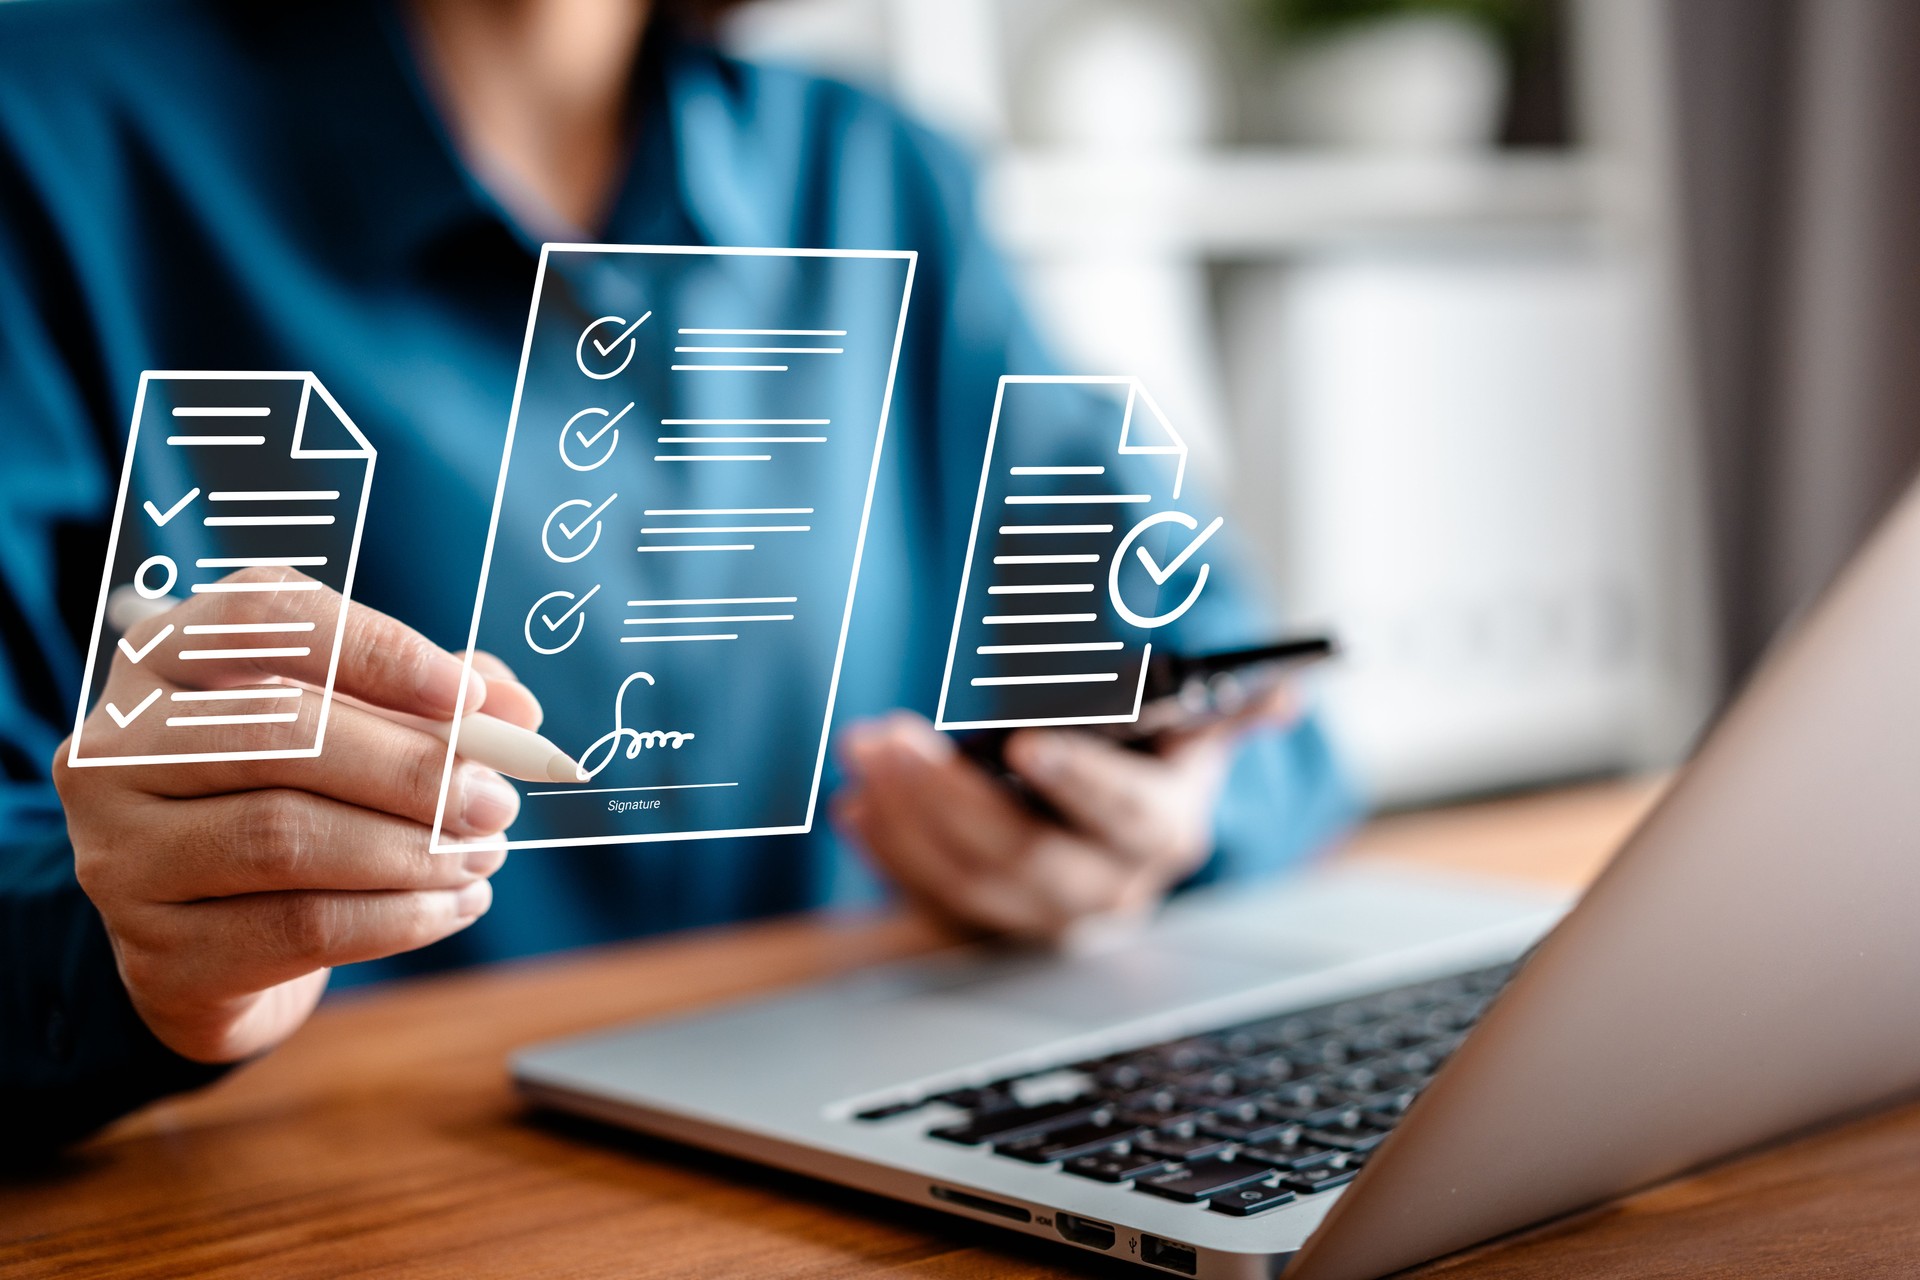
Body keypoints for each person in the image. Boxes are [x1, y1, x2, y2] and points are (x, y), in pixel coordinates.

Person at [0, 0, 1355, 1151]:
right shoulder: (46, 124)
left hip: (851, 1151)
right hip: (305, 1186)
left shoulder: (881, 177)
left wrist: (1143, 831)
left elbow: (1244, 703)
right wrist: (136, 957)